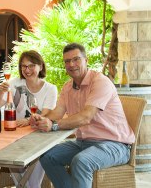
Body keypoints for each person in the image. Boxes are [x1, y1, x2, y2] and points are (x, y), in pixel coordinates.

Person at [30, 43, 135, 188]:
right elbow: (58, 113)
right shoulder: (68, 87)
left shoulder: (100, 82)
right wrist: (43, 119)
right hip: (84, 143)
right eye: (67, 61)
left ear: (87, 60)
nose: (71, 64)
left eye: (76, 59)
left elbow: (86, 117)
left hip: (115, 145)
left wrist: (53, 125)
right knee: (48, 156)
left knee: (81, 161)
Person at [0, 50, 58, 188]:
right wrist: (1, 92)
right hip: (14, 137)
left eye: (31, 66)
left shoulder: (50, 89)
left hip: (38, 136)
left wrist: (27, 121)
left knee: (34, 170)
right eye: (24, 66)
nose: (27, 70)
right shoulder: (14, 83)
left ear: (40, 66)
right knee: (10, 159)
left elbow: (46, 114)